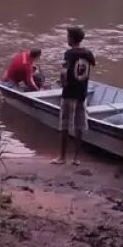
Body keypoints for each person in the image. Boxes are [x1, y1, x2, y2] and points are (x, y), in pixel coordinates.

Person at [52, 26, 95, 165]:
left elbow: (64, 72)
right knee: (79, 126)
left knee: (65, 125)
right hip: (82, 93)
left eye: (68, 36)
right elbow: (91, 65)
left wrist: (63, 83)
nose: (67, 38)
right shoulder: (88, 53)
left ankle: (62, 157)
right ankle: (76, 158)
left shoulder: (69, 54)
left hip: (69, 93)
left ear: (71, 38)